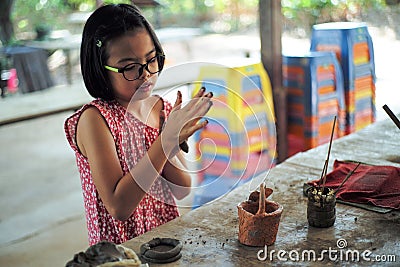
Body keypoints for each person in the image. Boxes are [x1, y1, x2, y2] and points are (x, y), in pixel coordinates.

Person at [64, 3, 213, 245]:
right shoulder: (96, 120)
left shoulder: (159, 108)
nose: (146, 74)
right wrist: (165, 142)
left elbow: (182, 188)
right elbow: (119, 206)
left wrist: (172, 140)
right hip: (120, 252)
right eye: (130, 67)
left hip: (163, 244)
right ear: (100, 69)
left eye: (151, 60)